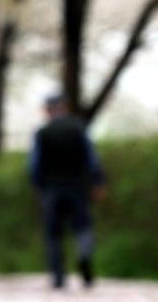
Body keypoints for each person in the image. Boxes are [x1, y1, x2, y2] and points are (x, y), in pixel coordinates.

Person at [29, 93, 105, 289]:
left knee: (54, 232)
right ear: (65, 108)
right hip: (77, 187)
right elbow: (92, 158)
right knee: (82, 227)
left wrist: (38, 186)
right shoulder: (79, 128)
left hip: (52, 189)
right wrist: (97, 182)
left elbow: (34, 165)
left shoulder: (41, 133)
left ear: (47, 110)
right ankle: (84, 257)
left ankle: (58, 276)